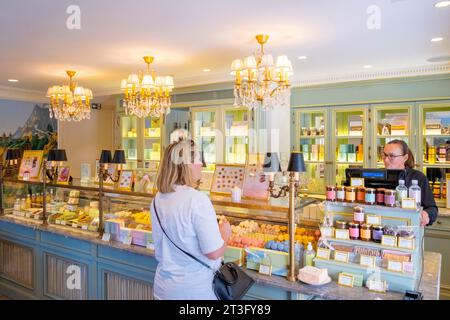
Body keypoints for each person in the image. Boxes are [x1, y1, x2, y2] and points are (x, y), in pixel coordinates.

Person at [150, 140, 231, 300]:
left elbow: (161, 248)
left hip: (163, 288)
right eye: (197, 159)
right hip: (194, 290)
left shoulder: (157, 199)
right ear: (184, 165)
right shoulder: (197, 200)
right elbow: (213, 252)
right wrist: (224, 235)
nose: (202, 164)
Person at [382, 139, 438, 226]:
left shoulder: (418, 177)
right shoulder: (378, 175)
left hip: (408, 228)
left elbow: (432, 208)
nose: (386, 160)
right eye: (384, 155)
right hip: (381, 226)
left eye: (391, 156)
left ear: (405, 158)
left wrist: (426, 214)